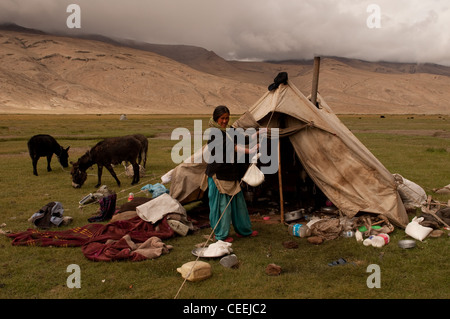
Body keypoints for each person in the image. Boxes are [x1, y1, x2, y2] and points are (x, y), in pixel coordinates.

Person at [205, 105, 259, 243]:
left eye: (227, 118)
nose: (224, 121)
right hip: (219, 173)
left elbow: (242, 139)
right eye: (222, 118)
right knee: (221, 206)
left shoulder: (229, 129)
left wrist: (256, 134)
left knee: (238, 205)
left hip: (231, 173)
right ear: (216, 118)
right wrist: (251, 151)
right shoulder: (213, 132)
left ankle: (244, 230)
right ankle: (220, 235)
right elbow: (231, 147)